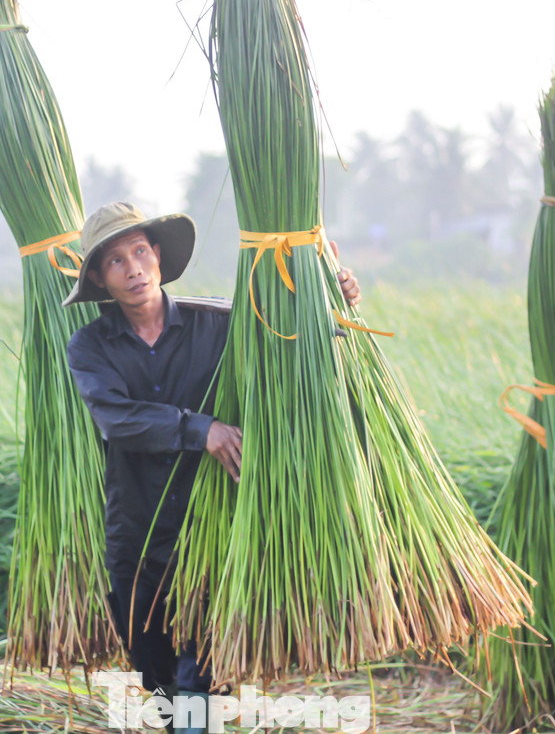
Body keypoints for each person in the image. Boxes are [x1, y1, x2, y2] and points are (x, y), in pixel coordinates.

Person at [63, 201, 360, 729]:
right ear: (100, 280)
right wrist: (203, 430)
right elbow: (118, 420)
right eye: (114, 261)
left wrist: (331, 299)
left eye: (139, 252)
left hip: (212, 534)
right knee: (156, 676)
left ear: (157, 256)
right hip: (137, 535)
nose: (132, 268)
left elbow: (287, 346)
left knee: (201, 682)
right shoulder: (89, 346)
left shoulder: (218, 324)